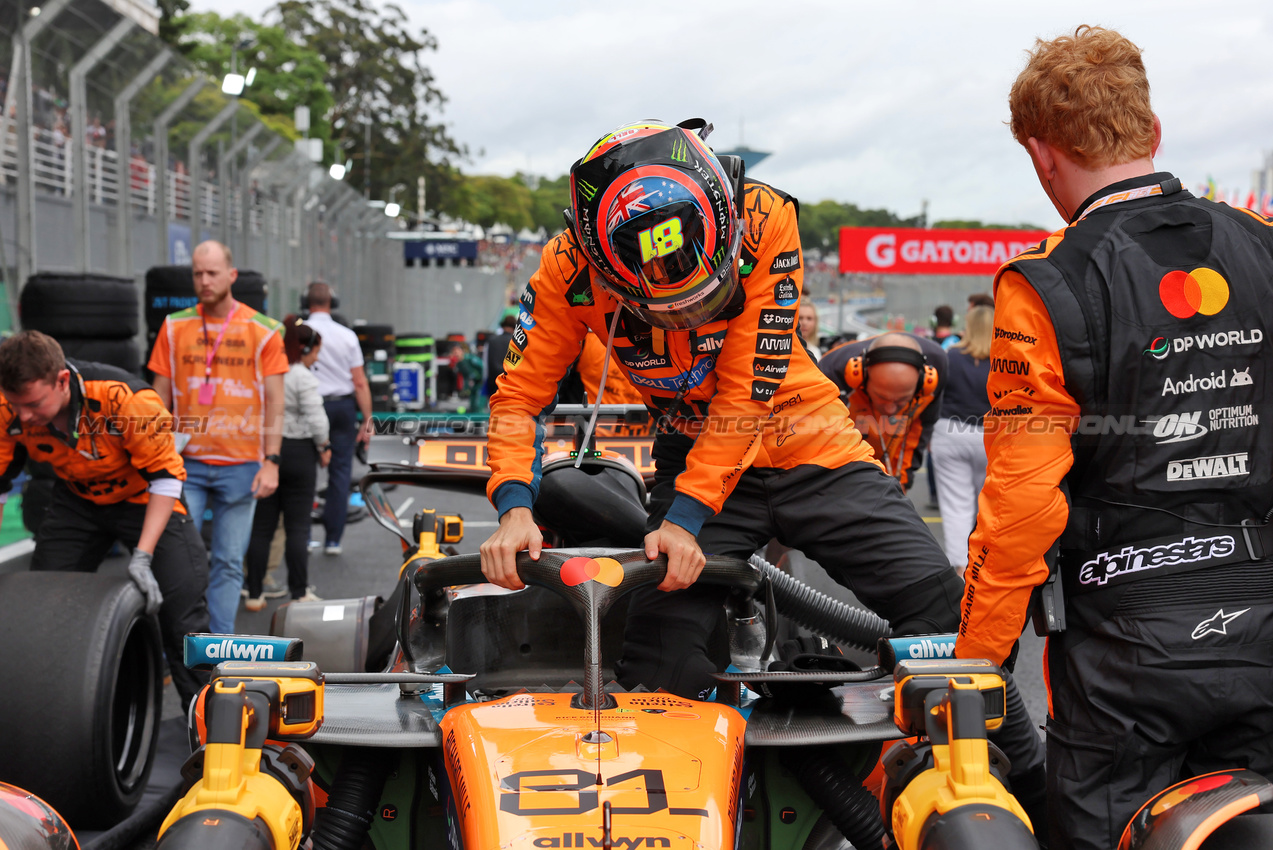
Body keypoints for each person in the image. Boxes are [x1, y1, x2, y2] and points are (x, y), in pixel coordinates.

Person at [956, 26, 1273, 850]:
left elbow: (1019, 508)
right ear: (1152, 132)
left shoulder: (1046, 281)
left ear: (1039, 155)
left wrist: (975, 663)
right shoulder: (1264, 247)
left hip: (1124, 658)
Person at [0, 332, 209, 708]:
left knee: (184, 622)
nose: (23, 416)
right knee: (41, 607)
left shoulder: (125, 399)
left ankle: (209, 729)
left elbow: (165, 479)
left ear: (62, 381)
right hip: (77, 500)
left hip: (146, 498)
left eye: (32, 404)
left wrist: (142, 557)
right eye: (16, 405)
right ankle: (47, 719)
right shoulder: (7, 406)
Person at [148, 240, 287, 635]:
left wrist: (271, 460)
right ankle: (177, 643)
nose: (204, 281)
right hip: (183, 462)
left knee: (228, 561)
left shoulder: (263, 330)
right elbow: (157, 398)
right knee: (175, 558)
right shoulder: (175, 327)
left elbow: (275, 402)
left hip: (242, 464)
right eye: (197, 273)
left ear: (231, 275)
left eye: (212, 273)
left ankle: (217, 647)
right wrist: (153, 455)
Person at [243, 319, 329, 610]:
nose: (315, 358)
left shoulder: (265, 371)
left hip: (269, 451)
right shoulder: (301, 376)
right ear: (304, 348)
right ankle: (299, 591)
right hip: (300, 453)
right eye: (315, 351)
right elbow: (317, 417)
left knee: (262, 527)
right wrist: (325, 445)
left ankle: (254, 592)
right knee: (297, 527)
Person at [817, 332, 947, 492]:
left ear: (924, 383)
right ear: (860, 377)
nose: (890, 409)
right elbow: (826, 446)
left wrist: (903, 480)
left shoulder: (937, 368)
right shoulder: (830, 373)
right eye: (882, 397)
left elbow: (919, 430)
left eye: (902, 399)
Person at [303, 282, 372, 556]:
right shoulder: (346, 335)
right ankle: (333, 540)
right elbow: (359, 382)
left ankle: (304, 536)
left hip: (308, 404)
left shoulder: (299, 332)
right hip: (341, 407)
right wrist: (368, 420)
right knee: (340, 473)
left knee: (305, 470)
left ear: (306, 302)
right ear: (333, 303)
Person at [928, 304, 993, 575]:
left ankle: (960, 568)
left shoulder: (950, 357)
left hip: (951, 431)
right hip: (991, 435)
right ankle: (987, 565)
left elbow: (933, 395)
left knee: (956, 506)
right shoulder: (1005, 359)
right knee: (988, 506)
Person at [484, 312, 518, 399]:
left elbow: (485, 363)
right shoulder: (516, 342)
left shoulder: (491, 340)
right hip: (510, 383)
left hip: (493, 382)